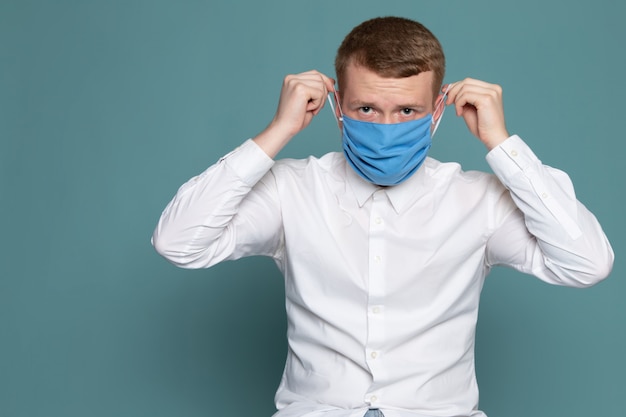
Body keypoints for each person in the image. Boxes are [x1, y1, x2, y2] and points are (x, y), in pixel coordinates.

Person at [152, 16, 614, 417]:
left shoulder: (479, 200)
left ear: (437, 113)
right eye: (367, 108)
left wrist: (502, 143)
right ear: (338, 108)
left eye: (407, 110)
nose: (386, 129)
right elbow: (178, 242)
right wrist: (278, 131)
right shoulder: (291, 189)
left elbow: (587, 264)